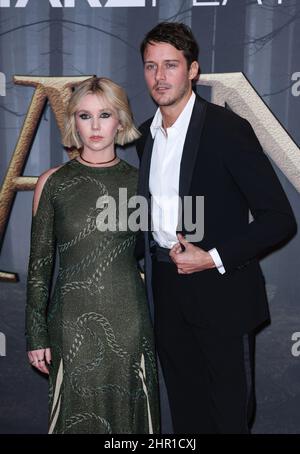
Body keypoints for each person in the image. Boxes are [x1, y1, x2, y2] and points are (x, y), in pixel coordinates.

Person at [136, 22, 297, 434]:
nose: (159, 77)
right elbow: (142, 216)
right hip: (166, 295)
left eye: (170, 65)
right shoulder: (143, 137)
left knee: (228, 420)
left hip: (222, 296)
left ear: (192, 70)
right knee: (186, 417)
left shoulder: (227, 129)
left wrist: (211, 258)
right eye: (151, 66)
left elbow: (279, 218)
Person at [25, 77, 160, 434]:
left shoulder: (143, 183)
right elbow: (39, 266)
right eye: (85, 116)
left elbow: (161, 253)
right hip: (70, 326)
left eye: (105, 114)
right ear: (74, 122)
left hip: (129, 322)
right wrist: (35, 333)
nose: (96, 126)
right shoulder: (52, 182)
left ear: (121, 120)